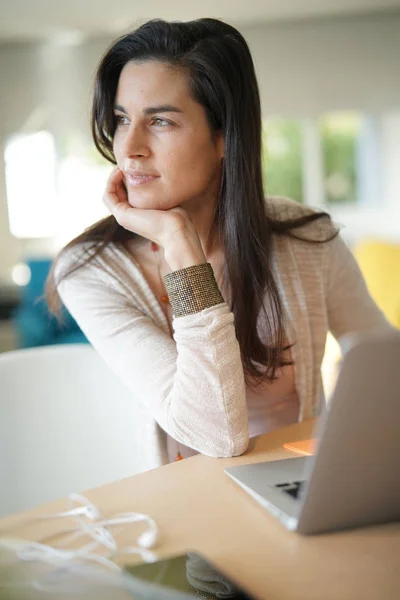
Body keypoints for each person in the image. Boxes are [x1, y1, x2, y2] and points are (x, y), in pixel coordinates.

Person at [46, 18, 390, 470]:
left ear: (225, 135)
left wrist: (351, 439)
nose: (129, 148)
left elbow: (383, 361)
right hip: (185, 505)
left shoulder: (307, 237)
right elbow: (216, 436)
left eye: (161, 121)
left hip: (305, 483)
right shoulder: (91, 272)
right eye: (122, 119)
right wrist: (180, 246)